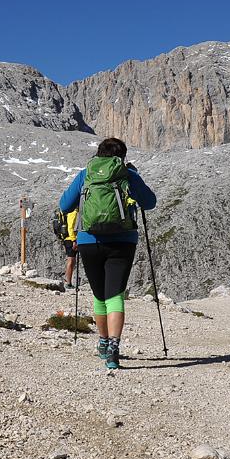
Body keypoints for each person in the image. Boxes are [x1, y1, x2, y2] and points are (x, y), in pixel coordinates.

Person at [58, 137, 156, 369]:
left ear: (98, 154)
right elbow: (150, 202)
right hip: (123, 241)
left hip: (88, 241)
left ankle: (102, 342)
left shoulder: (85, 174)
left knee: (99, 295)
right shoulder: (127, 174)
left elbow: (64, 205)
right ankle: (113, 347)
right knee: (115, 295)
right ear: (121, 156)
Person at [62, 208, 78, 288]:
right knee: (71, 261)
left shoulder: (71, 212)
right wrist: (74, 240)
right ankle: (68, 282)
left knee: (72, 261)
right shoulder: (73, 212)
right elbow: (70, 227)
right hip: (70, 240)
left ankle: (68, 281)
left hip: (69, 239)